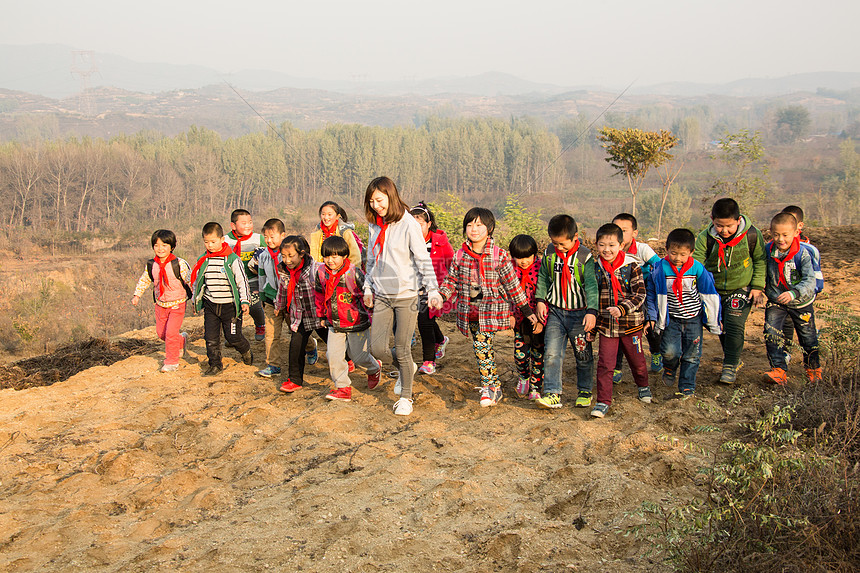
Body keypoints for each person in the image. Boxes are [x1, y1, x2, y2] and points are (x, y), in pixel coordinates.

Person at [439, 208, 537, 407]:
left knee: (483, 346)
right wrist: (441, 296)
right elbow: (451, 281)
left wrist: (526, 311)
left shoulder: (499, 255)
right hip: (472, 309)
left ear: (489, 228)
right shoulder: (460, 255)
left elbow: (512, 285)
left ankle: (492, 386)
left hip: (493, 309)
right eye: (469, 225)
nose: (474, 229)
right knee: (481, 347)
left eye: (479, 225)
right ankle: (492, 386)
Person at [363, 176, 442, 416]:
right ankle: (407, 367)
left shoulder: (408, 223)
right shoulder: (374, 225)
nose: (376, 205)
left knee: (402, 347)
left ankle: (406, 397)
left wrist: (433, 289)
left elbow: (422, 258)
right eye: (372, 201)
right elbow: (371, 259)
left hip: (406, 295)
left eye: (379, 199)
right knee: (377, 349)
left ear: (391, 195)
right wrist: (367, 287)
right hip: (382, 295)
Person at [692, 198, 766, 384]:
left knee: (734, 324)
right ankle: (734, 358)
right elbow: (697, 264)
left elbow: (760, 260)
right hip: (713, 290)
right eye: (719, 226)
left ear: (738, 220)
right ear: (712, 219)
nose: (724, 231)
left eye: (729, 226)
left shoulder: (752, 235)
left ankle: (730, 365)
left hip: (741, 288)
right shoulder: (705, 237)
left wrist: (757, 287)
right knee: (720, 326)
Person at [646, 228, 722, 399]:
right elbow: (651, 292)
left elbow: (709, 294)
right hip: (671, 318)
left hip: (693, 318)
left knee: (692, 354)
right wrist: (652, 316)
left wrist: (715, 318)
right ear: (666, 250)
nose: (677, 258)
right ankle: (670, 367)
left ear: (691, 252)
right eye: (673, 253)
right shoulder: (659, 269)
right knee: (669, 352)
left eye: (682, 254)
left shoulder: (697, 268)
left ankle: (687, 386)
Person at [534, 215, 598, 410]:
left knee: (583, 353)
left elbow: (592, 287)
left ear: (575, 236)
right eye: (555, 243)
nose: (559, 247)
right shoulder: (549, 254)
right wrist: (540, 300)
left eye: (562, 244)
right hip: (555, 312)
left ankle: (585, 390)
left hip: (579, 314)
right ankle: (553, 393)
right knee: (552, 353)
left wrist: (592, 312)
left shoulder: (584, 257)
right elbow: (544, 277)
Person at [591, 223, 652, 418]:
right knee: (605, 364)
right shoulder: (595, 268)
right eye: (602, 245)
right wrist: (593, 327)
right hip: (607, 326)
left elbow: (640, 294)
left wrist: (621, 308)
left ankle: (643, 386)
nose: (606, 250)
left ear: (621, 245)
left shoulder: (632, 266)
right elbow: (592, 297)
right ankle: (602, 401)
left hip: (631, 324)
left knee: (638, 361)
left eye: (611, 245)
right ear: (596, 245)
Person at [315, 235, 383, 401]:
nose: (330, 260)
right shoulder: (322, 273)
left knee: (358, 356)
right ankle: (343, 387)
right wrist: (321, 315)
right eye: (327, 256)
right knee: (333, 355)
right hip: (334, 323)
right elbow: (319, 295)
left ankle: (374, 368)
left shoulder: (353, 273)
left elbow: (366, 296)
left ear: (344, 256)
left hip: (356, 322)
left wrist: (371, 314)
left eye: (334, 256)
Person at [763, 212, 821, 384]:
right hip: (776, 300)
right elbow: (761, 270)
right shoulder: (768, 250)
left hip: (801, 301)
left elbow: (810, 280)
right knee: (771, 333)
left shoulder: (802, 254)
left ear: (796, 233)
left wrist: (794, 293)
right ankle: (778, 370)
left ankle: (813, 370)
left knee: (807, 336)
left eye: (785, 235)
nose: (780, 239)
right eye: (776, 234)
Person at [190, 222, 253, 376]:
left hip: (230, 306)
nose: (210, 245)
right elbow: (198, 282)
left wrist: (245, 301)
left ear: (222, 239)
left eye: (213, 241)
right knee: (210, 338)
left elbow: (241, 282)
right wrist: (195, 301)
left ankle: (245, 350)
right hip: (211, 305)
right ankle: (215, 364)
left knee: (233, 337)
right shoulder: (203, 260)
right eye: (206, 242)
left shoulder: (232, 259)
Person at [273, 235, 329, 393]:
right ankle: (295, 379)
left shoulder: (316, 269)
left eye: (291, 256)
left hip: (319, 315)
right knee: (296, 346)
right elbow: (282, 290)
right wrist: (279, 305)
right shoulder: (284, 271)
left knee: (333, 344)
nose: (287, 260)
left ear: (302, 254)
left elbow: (328, 288)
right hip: (300, 315)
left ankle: (349, 360)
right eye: (283, 256)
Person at [131, 229, 192, 372]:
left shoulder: (179, 264)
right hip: (160, 304)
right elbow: (144, 280)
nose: (160, 249)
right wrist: (137, 295)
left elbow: (190, 281)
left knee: (170, 333)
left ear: (172, 246)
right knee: (162, 334)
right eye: (157, 245)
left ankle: (171, 362)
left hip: (177, 303)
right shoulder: (152, 265)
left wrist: (196, 299)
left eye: (164, 245)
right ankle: (181, 340)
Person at [612, 213, 664, 380]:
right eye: (616, 230)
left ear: (634, 233)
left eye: (624, 230)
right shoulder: (611, 250)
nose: (620, 233)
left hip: (644, 294)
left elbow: (659, 266)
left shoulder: (642, 249)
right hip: (622, 298)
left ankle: (656, 352)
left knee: (650, 327)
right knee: (619, 331)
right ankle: (617, 368)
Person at [410, 202, 454, 375]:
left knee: (424, 321)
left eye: (420, 224)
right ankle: (441, 340)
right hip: (414, 288)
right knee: (427, 320)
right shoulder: (408, 241)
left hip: (436, 289)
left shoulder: (440, 242)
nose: (416, 228)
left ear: (429, 224)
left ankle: (429, 361)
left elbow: (452, 264)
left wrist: (448, 289)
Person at [778, 205, 823, 364]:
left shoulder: (808, 250)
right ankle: (785, 353)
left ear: (799, 227)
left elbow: (816, 278)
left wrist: (811, 293)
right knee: (786, 324)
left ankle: (812, 365)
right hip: (783, 295)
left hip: (803, 297)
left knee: (805, 329)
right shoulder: (776, 248)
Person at [248, 218, 287, 379]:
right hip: (271, 300)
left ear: (282, 235)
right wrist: (263, 298)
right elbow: (262, 277)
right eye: (266, 237)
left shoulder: (288, 253)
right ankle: (273, 365)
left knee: (296, 331)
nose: (269, 240)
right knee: (271, 334)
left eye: (273, 236)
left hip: (289, 300)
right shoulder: (263, 255)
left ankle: (309, 346)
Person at [507, 234, 545, 399]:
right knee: (520, 354)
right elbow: (506, 294)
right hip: (519, 319)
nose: (523, 261)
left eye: (527, 257)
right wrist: (509, 314)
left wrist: (542, 321)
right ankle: (524, 377)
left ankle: (536, 387)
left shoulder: (542, 269)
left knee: (538, 354)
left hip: (538, 320)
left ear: (535, 254)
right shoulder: (509, 270)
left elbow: (547, 296)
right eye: (519, 257)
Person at [224, 209, 267, 341]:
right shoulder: (225, 240)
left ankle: (260, 324)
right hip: (233, 281)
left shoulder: (258, 239)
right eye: (243, 223)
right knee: (234, 308)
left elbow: (267, 254)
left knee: (254, 305)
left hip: (253, 279)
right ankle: (234, 333)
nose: (248, 225)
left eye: (250, 222)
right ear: (233, 225)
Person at [309, 200, 363, 268]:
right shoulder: (317, 233)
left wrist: (352, 273)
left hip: (343, 272)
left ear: (337, 216)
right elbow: (313, 257)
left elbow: (355, 257)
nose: (326, 218)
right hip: (322, 273)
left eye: (329, 214)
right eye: (323, 214)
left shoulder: (344, 232)